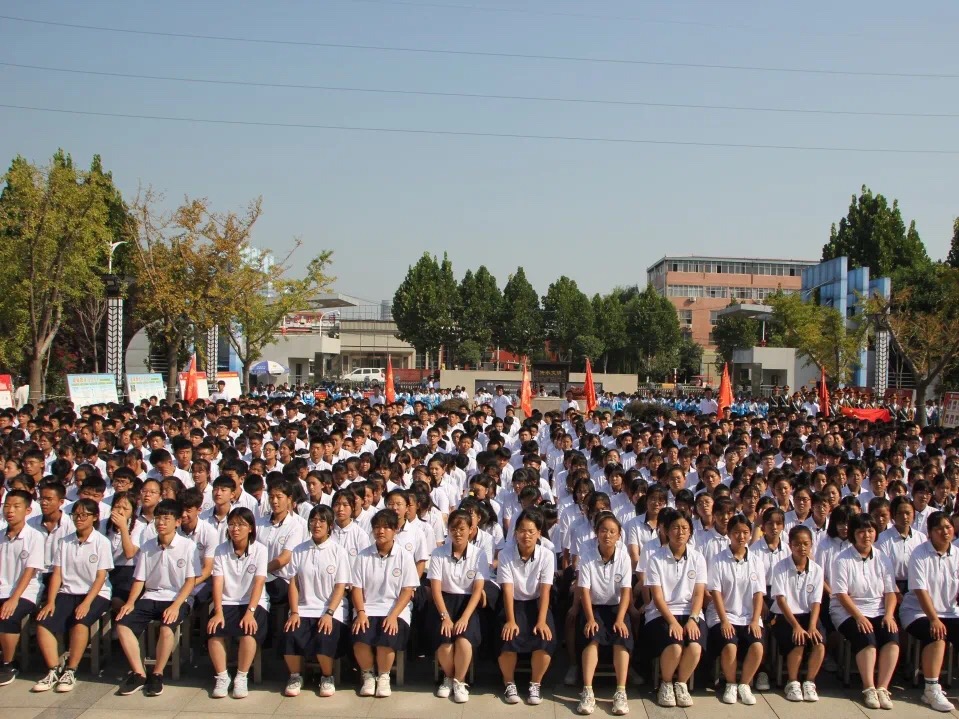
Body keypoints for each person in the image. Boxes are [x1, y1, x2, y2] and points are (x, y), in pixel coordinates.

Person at [115, 499, 199, 697]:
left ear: (177, 522)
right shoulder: (147, 546)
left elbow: (190, 581)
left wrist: (176, 605)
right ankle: (139, 673)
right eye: (158, 518)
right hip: (151, 595)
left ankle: (158, 674)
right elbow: (140, 579)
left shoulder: (188, 546)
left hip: (178, 597)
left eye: (167, 518)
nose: (161, 522)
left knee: (166, 627)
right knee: (122, 624)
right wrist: (130, 603)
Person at [33, 498, 114, 693]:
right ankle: (53, 669)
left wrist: (87, 603)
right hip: (68, 591)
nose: (79, 519)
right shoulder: (65, 542)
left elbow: (100, 577)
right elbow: (57, 574)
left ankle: (71, 670)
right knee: (43, 623)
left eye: (84, 515)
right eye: (76, 515)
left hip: (96, 593)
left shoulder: (101, 542)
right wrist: (50, 601)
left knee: (80, 623)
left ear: (95, 517)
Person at [830, 513, 899, 710]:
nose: (866, 535)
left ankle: (883, 688)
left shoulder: (882, 558)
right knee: (867, 637)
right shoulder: (842, 559)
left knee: (891, 637)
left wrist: (889, 614)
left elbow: (890, 592)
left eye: (870, 530)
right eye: (861, 531)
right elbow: (841, 594)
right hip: (848, 611)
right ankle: (869, 688)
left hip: (878, 608)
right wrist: (858, 617)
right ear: (853, 534)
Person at [282, 504, 350, 698]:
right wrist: (294, 612)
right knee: (290, 633)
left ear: (330, 526)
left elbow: (340, 586)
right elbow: (293, 583)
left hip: (331, 609)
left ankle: (327, 676)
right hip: (304, 608)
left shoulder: (338, 551)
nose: (316, 524)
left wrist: (329, 613)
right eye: (313, 520)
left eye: (321, 521)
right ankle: (295, 676)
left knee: (323, 636)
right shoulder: (299, 550)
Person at [350, 508, 419, 698]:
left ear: (395, 530)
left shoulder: (404, 556)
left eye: (386, 527)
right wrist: (361, 612)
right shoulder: (363, 556)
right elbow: (356, 588)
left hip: (395, 610)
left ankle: (383, 676)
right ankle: (368, 675)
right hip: (367, 608)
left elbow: (407, 590)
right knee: (360, 638)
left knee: (386, 638)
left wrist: (394, 615)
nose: (381, 531)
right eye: (377, 527)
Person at [643, 511, 705, 708]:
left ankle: (681, 684)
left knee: (695, 646)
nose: (680, 532)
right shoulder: (655, 559)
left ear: (690, 532)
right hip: (661, 613)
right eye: (675, 528)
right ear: (666, 531)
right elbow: (657, 597)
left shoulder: (698, 558)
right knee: (675, 645)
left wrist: (693, 618)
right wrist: (672, 622)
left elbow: (698, 594)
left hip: (690, 612)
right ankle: (666, 683)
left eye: (685, 528)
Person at [207, 507, 269, 699]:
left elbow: (259, 582)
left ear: (250, 528)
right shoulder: (221, 550)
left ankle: (241, 676)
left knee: (249, 632)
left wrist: (250, 612)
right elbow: (218, 582)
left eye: (241, 525)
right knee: (214, 632)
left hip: (253, 601)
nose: (235, 529)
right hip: (228, 601)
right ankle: (222, 676)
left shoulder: (260, 550)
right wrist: (218, 611)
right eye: (232, 524)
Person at [900, 511, 959, 712]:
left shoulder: (958, 554)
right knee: (937, 636)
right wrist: (933, 619)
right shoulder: (919, 554)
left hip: (950, 612)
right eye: (939, 528)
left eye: (948, 527)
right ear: (930, 532)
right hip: (918, 612)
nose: (945, 532)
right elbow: (920, 590)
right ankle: (931, 689)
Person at [498, 506, 557, 706]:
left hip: (537, 602)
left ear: (539, 533)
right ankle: (509, 683)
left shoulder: (546, 555)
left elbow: (545, 590)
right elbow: (507, 589)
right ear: (515, 533)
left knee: (544, 638)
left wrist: (542, 620)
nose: (526, 535)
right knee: (507, 637)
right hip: (512, 602)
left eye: (531, 531)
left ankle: (535, 684)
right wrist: (511, 620)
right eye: (522, 531)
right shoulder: (506, 554)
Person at [575, 512, 632, 716]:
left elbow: (626, 591)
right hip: (594, 607)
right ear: (597, 533)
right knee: (592, 637)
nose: (607, 535)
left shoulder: (623, 557)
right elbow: (584, 590)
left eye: (612, 532)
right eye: (603, 530)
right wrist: (590, 618)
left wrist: (620, 619)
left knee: (621, 638)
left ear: (619, 535)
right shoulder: (587, 556)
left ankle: (621, 691)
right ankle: (588, 690)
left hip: (616, 607)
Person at [429, 509, 488, 704]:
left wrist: (464, 617)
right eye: (453, 529)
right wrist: (445, 617)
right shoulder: (438, 553)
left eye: (462, 529)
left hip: (468, 604)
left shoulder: (479, 554)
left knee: (464, 640)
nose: (458, 533)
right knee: (445, 641)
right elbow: (435, 589)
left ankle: (459, 681)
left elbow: (478, 589)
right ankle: (448, 677)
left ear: (471, 529)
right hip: (444, 603)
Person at [707, 514, 765, 705]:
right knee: (730, 645)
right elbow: (715, 592)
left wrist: (755, 620)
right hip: (723, 615)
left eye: (745, 532)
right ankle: (731, 683)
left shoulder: (756, 561)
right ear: (729, 534)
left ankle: (745, 684)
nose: (741, 537)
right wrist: (724, 620)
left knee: (757, 646)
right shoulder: (718, 560)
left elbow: (758, 594)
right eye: (736, 532)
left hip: (748, 616)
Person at [769, 525, 825, 703]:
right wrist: (796, 626)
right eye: (797, 544)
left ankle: (809, 682)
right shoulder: (780, 567)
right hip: (785, 615)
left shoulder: (816, 570)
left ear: (811, 545)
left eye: (806, 544)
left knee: (819, 643)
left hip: (808, 615)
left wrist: (812, 626)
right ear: (790, 545)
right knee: (798, 642)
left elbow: (816, 601)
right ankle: (792, 682)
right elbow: (780, 599)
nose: (802, 548)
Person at [0, 489, 44, 685]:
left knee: (7, 616)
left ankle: (8, 663)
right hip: (2, 588)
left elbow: (30, 571)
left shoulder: (35, 537)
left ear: (27, 510)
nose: (10, 511)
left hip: (25, 591)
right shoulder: (1, 535)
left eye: (16, 506)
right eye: (7, 506)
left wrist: (14, 598)